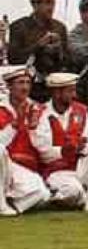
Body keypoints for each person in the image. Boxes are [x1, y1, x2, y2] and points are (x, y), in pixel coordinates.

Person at [31, 72, 88, 212]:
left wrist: (82, 148)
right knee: (72, 191)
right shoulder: (41, 113)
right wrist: (64, 151)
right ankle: (66, 196)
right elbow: (42, 149)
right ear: (57, 92)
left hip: (80, 165)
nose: (74, 95)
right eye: (70, 91)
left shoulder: (81, 110)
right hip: (56, 170)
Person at [0, 66, 51, 216]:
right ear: (9, 86)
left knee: (42, 194)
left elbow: (44, 147)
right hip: (4, 163)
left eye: (28, 83)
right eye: (20, 83)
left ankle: (11, 205)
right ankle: (2, 204)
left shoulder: (39, 110)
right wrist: (15, 124)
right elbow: (2, 143)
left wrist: (34, 128)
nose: (25, 87)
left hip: (24, 167)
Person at [7, 0, 69, 101]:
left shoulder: (60, 28)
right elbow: (13, 59)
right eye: (47, 3)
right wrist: (38, 46)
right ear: (34, 5)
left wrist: (59, 49)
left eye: (53, 3)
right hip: (28, 89)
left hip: (54, 90)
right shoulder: (19, 27)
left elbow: (68, 62)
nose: (51, 8)